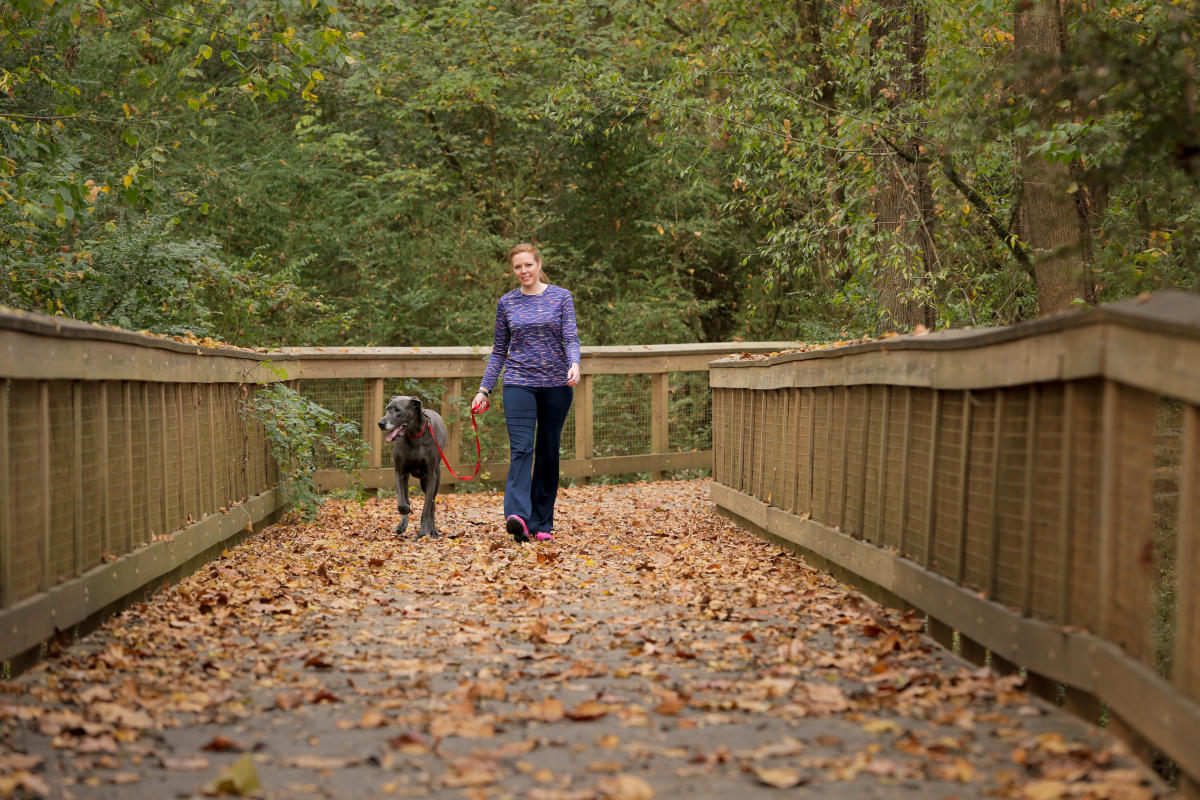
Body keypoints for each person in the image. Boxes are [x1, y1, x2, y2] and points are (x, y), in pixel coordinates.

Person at [472, 243, 581, 543]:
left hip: (557, 385)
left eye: (528, 265)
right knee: (521, 448)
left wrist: (574, 363)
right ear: (513, 270)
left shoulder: (561, 297)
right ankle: (517, 516)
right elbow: (498, 352)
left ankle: (541, 523)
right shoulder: (506, 303)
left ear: (538, 264)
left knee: (548, 451)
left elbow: (570, 337)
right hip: (519, 382)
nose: (524, 271)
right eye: (518, 267)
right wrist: (484, 389)